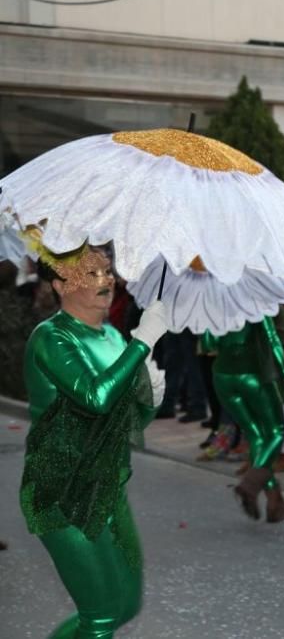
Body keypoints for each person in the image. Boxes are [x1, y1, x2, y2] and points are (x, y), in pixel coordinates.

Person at [20, 241, 169, 638]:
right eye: (91, 273)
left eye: (106, 270)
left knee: (125, 606)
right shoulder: (51, 338)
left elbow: (129, 419)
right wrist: (143, 343)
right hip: (62, 492)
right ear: (59, 285)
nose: (106, 280)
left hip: (108, 487)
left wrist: (152, 395)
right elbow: (96, 398)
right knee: (100, 616)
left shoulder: (112, 338)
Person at [202, 317, 284, 523]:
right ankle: (250, 485)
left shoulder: (214, 306)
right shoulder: (255, 303)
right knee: (275, 432)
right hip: (251, 376)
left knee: (256, 436)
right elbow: (272, 340)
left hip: (222, 378)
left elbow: (208, 344)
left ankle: (275, 501)